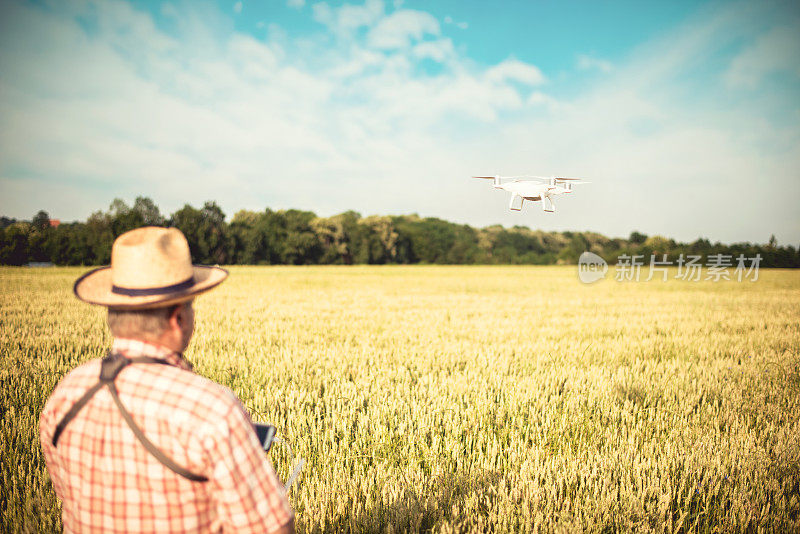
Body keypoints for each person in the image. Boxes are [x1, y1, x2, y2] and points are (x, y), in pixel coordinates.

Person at [39, 227, 294, 533]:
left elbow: (69, 502)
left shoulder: (66, 392)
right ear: (178, 319)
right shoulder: (211, 410)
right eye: (191, 305)